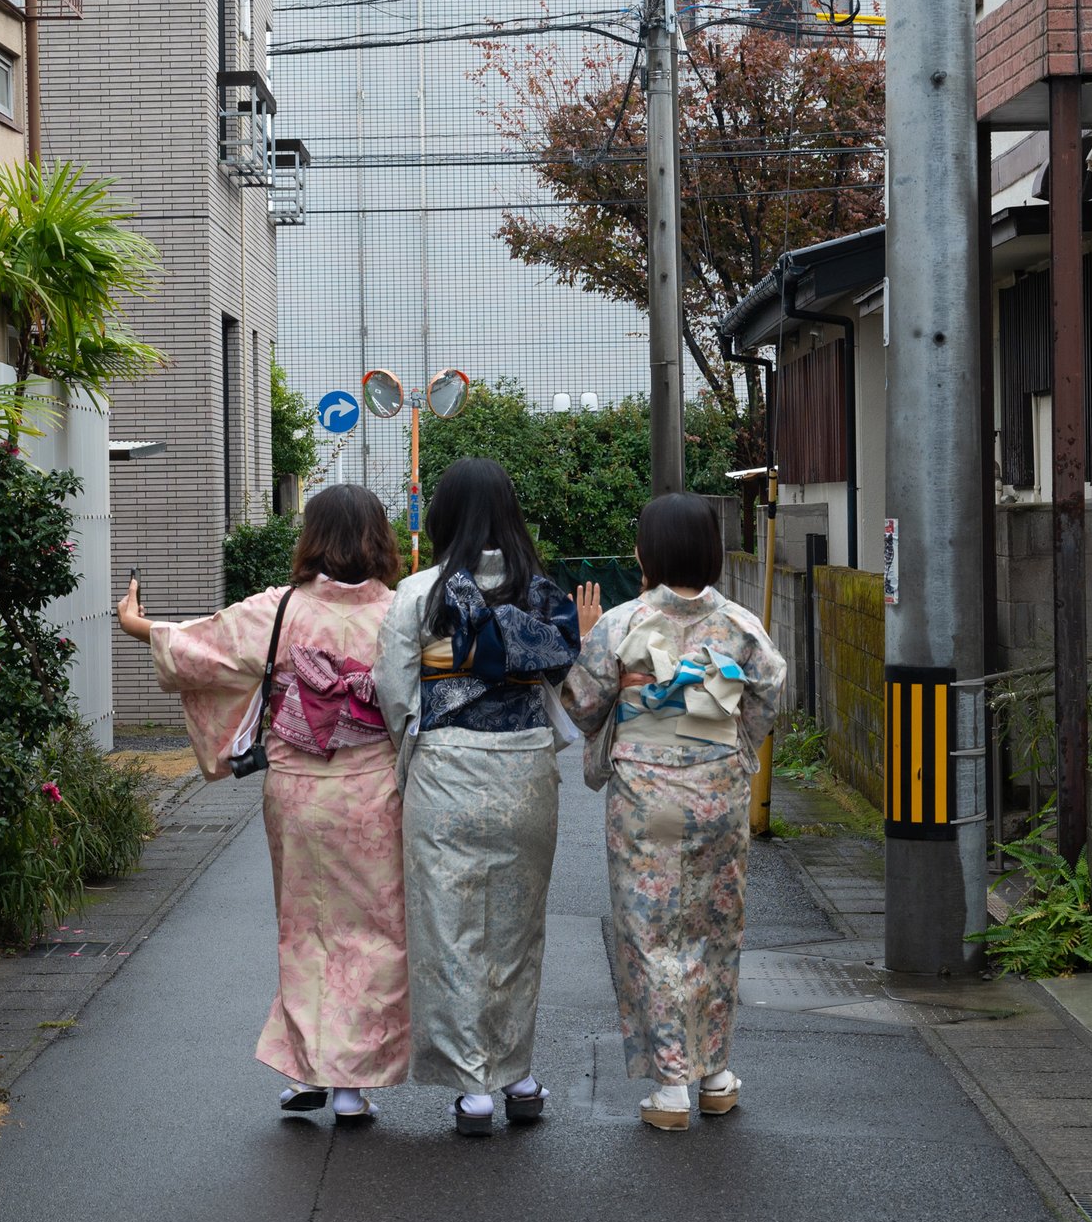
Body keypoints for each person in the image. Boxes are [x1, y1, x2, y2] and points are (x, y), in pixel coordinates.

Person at [116, 484, 408, 1123]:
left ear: (312, 538)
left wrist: (135, 622)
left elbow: (199, 649)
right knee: (376, 931)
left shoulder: (279, 611)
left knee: (307, 930)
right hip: (375, 792)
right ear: (380, 539)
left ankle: (313, 1067)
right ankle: (350, 1078)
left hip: (299, 791)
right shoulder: (403, 610)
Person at [563, 492, 787, 1132]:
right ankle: (716, 1075)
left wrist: (585, 643)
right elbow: (770, 686)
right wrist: (738, 744)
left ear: (646, 553)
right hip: (719, 792)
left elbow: (582, 705)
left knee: (652, 934)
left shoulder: (624, 624)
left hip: (647, 798)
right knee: (715, 928)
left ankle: (670, 1089)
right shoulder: (742, 626)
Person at [372, 457, 580, 1137]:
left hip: (445, 770)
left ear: (441, 517)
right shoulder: (541, 593)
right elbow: (559, 685)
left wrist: (414, 758)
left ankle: (472, 1088)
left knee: (448, 931)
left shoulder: (419, 593)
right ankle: (515, 1071)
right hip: (523, 773)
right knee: (516, 930)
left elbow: (397, 695)